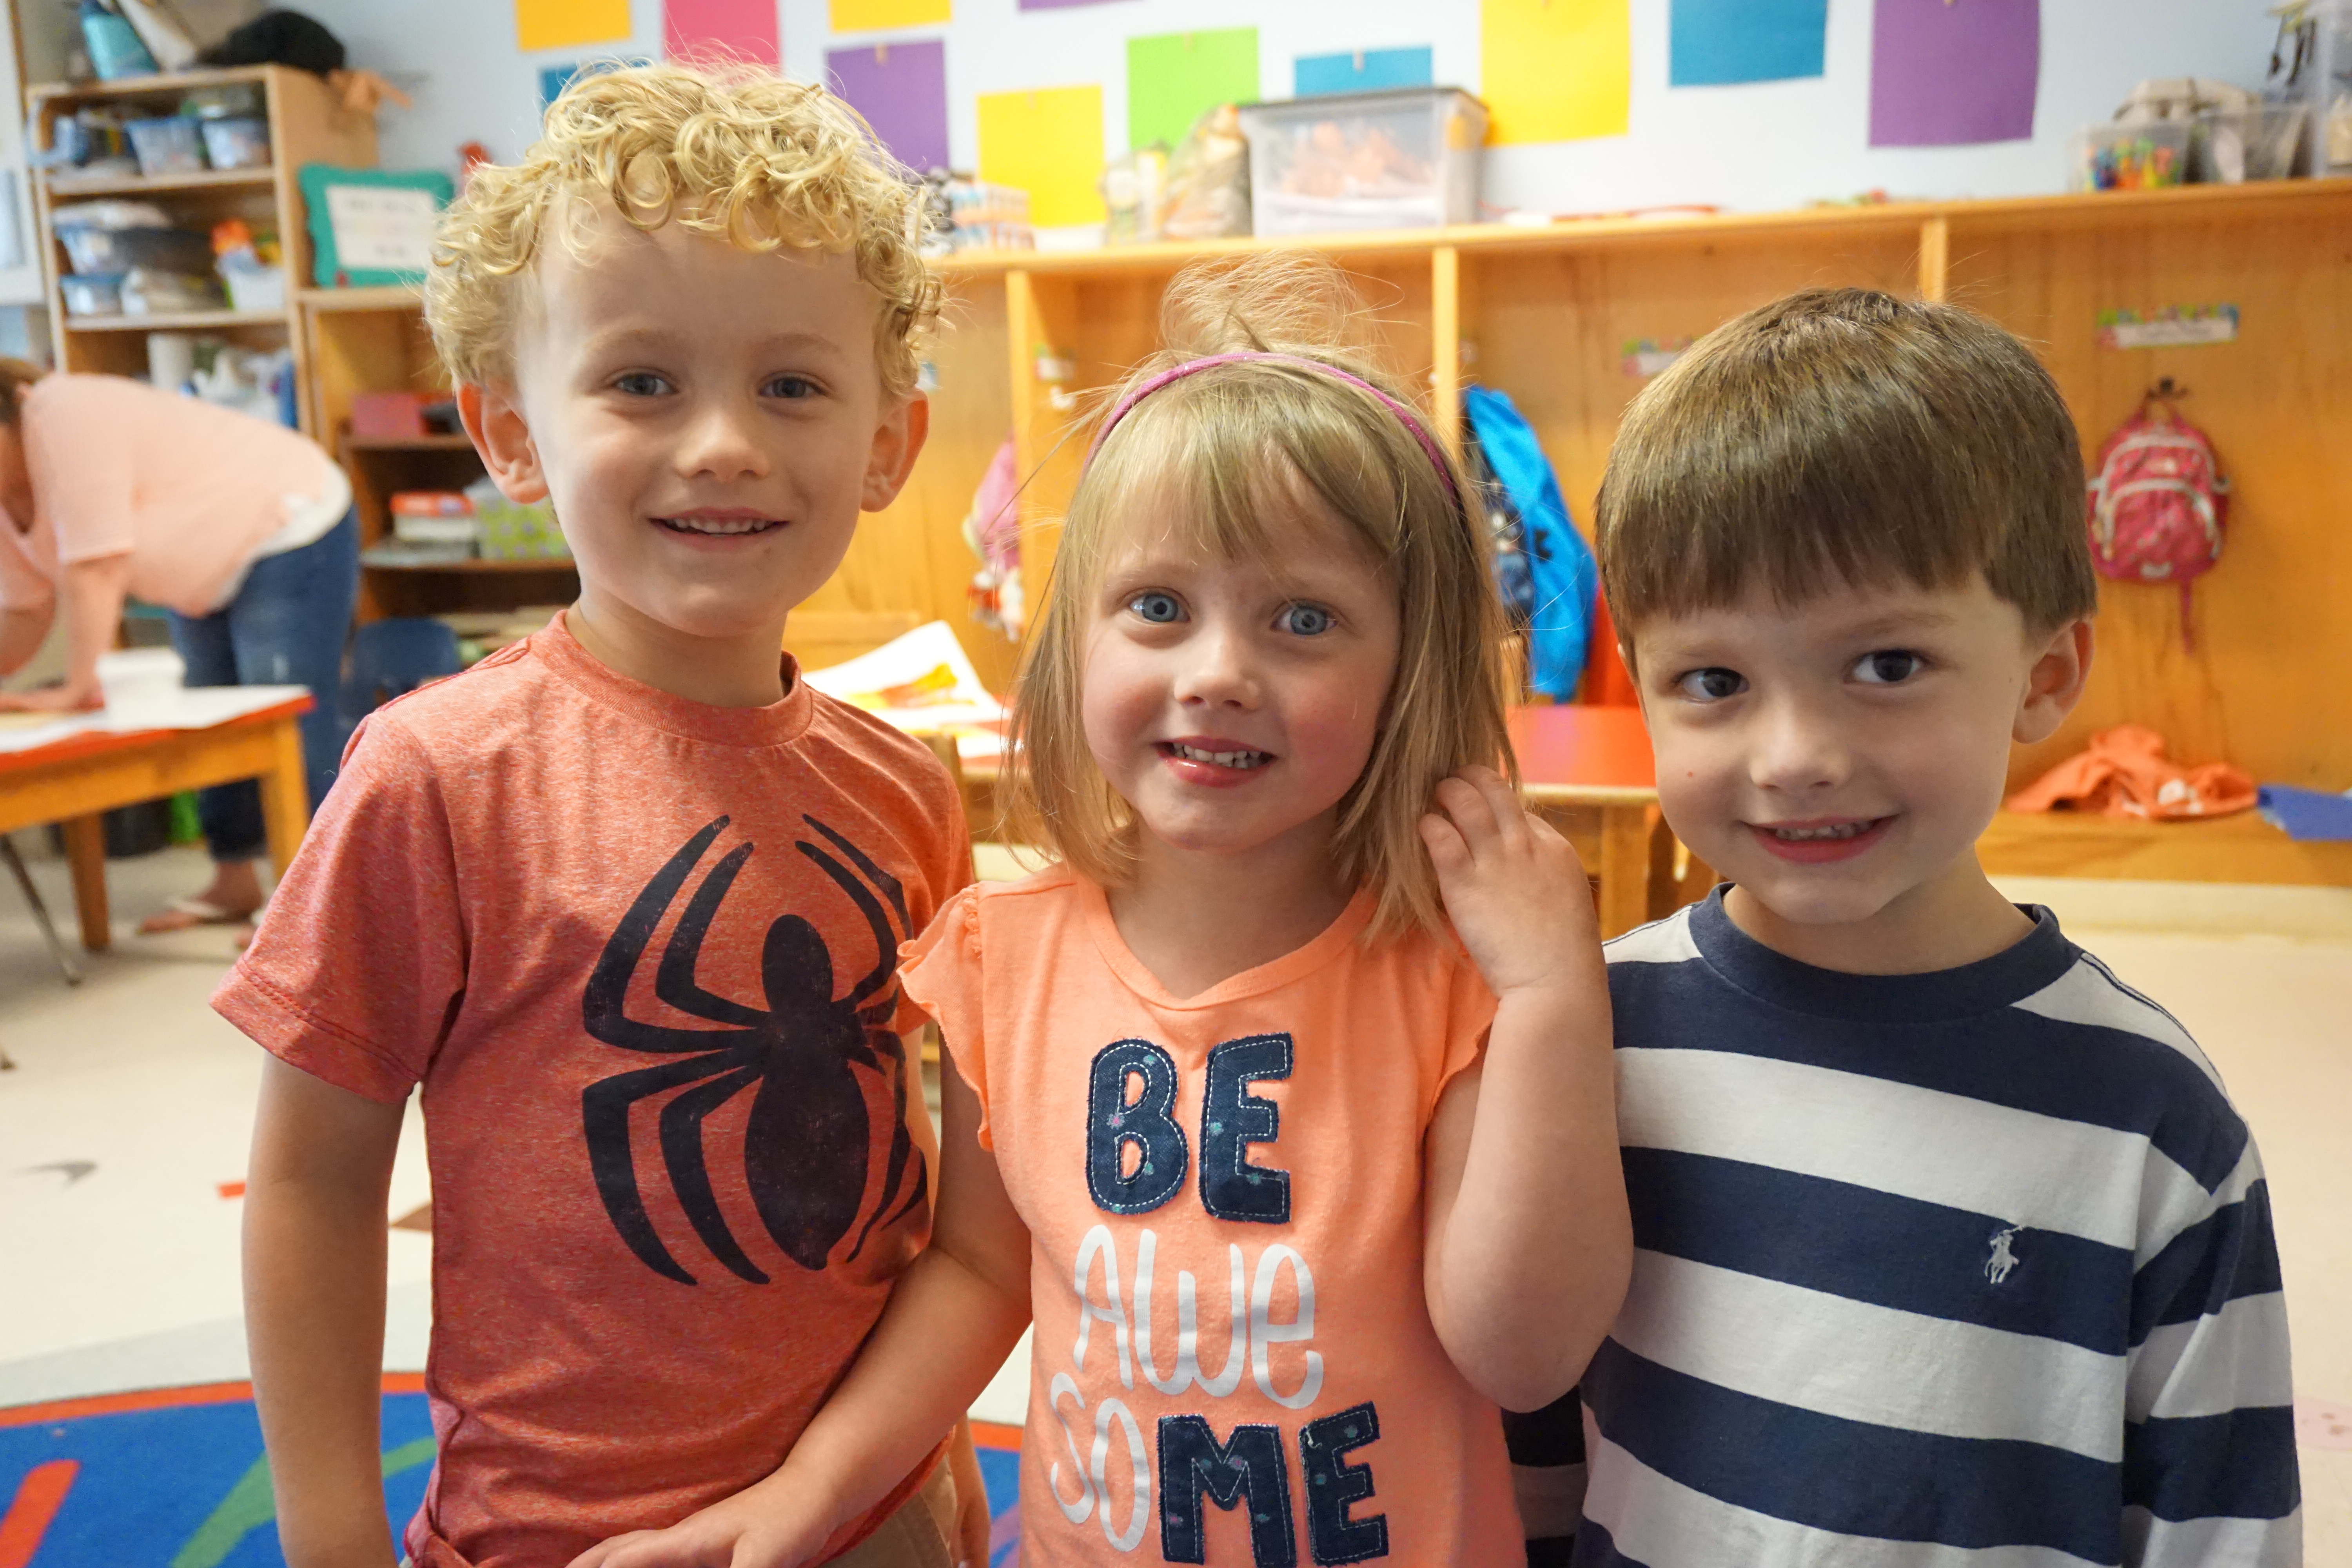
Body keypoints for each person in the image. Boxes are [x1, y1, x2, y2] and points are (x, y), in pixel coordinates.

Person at [572, 256, 1634, 1568]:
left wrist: (1550, 1006)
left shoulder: (1459, 977)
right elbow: (975, 1272)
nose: (1220, 673)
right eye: (1159, 607)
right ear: (1077, 639)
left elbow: (1525, 1351)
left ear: (1406, 669)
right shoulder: (1000, 959)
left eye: (1304, 619)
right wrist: (809, 1497)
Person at [212, 65, 991, 1568]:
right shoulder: (433, 777)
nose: (721, 443)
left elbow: (938, 1183)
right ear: (510, 433)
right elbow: (312, 1181)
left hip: (878, 1510)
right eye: (642, 381)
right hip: (557, 1530)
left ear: (891, 442)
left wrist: (912, 1483)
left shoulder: (908, 790)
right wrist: (326, 1535)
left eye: (794, 384)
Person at [1505, 289, 2300, 1565]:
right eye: (1714, 682)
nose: (1795, 757)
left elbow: (2220, 1528)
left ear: (2044, 676)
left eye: (1885, 665)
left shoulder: (2150, 1125)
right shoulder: (1586, 1040)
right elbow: (1526, 1454)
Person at [0, 361, 357, 933]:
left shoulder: (64, 411)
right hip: (200, 570)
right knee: (207, 718)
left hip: (287, 519)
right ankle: (234, 879)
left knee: (282, 716)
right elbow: (25, 610)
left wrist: (73, 689)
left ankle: (321, 904)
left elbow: (97, 567)